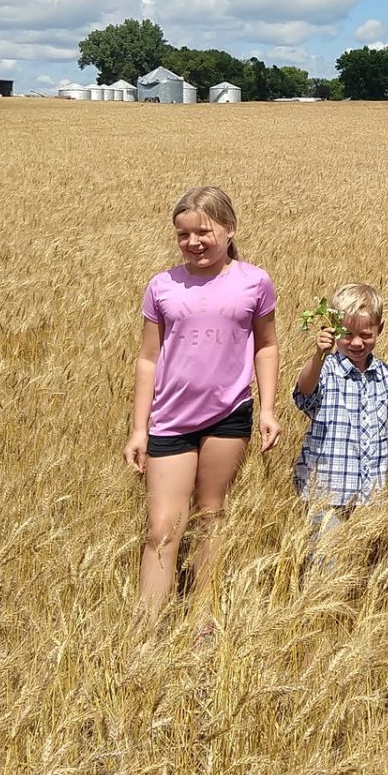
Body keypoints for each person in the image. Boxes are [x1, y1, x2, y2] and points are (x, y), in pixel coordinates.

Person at [123, 185, 281, 617]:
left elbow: (266, 346)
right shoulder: (162, 286)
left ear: (229, 229)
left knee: (211, 515)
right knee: (162, 528)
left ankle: (202, 619)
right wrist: (139, 429)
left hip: (229, 415)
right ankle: (145, 629)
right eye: (183, 235)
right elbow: (147, 360)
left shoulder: (254, 281)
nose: (193, 243)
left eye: (203, 231)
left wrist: (266, 409)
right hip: (170, 420)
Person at [291, 282, 388, 507]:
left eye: (365, 334)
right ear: (333, 329)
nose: (357, 343)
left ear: (379, 329)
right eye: (347, 334)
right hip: (324, 490)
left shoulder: (382, 372)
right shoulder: (327, 368)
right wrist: (318, 356)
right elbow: (304, 391)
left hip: (368, 494)